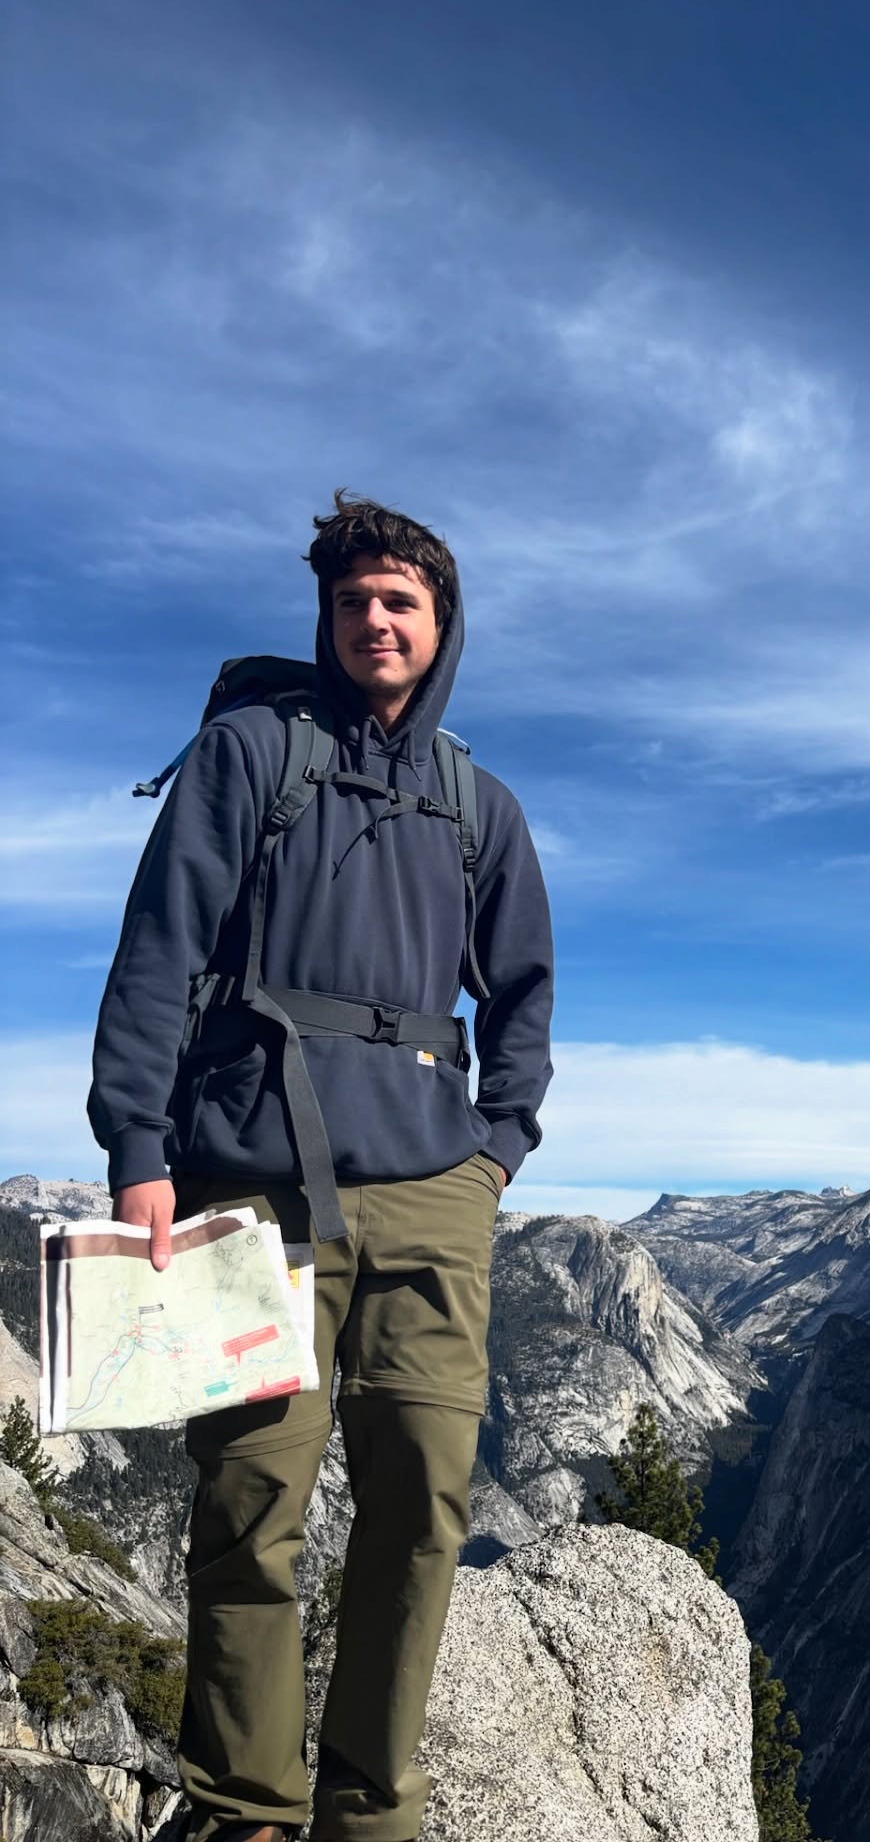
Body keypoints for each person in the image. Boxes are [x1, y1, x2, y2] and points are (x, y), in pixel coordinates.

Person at [87, 492, 554, 1842]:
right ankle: (247, 1805)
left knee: (424, 1506)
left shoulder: (480, 806)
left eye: (400, 601)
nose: (374, 621)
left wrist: (498, 1149)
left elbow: (524, 991)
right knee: (250, 1501)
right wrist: (138, 1147)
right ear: (325, 619)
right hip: (252, 1184)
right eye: (352, 602)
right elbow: (159, 951)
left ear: (442, 624)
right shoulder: (247, 756)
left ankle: (371, 1810)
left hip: (433, 1192)